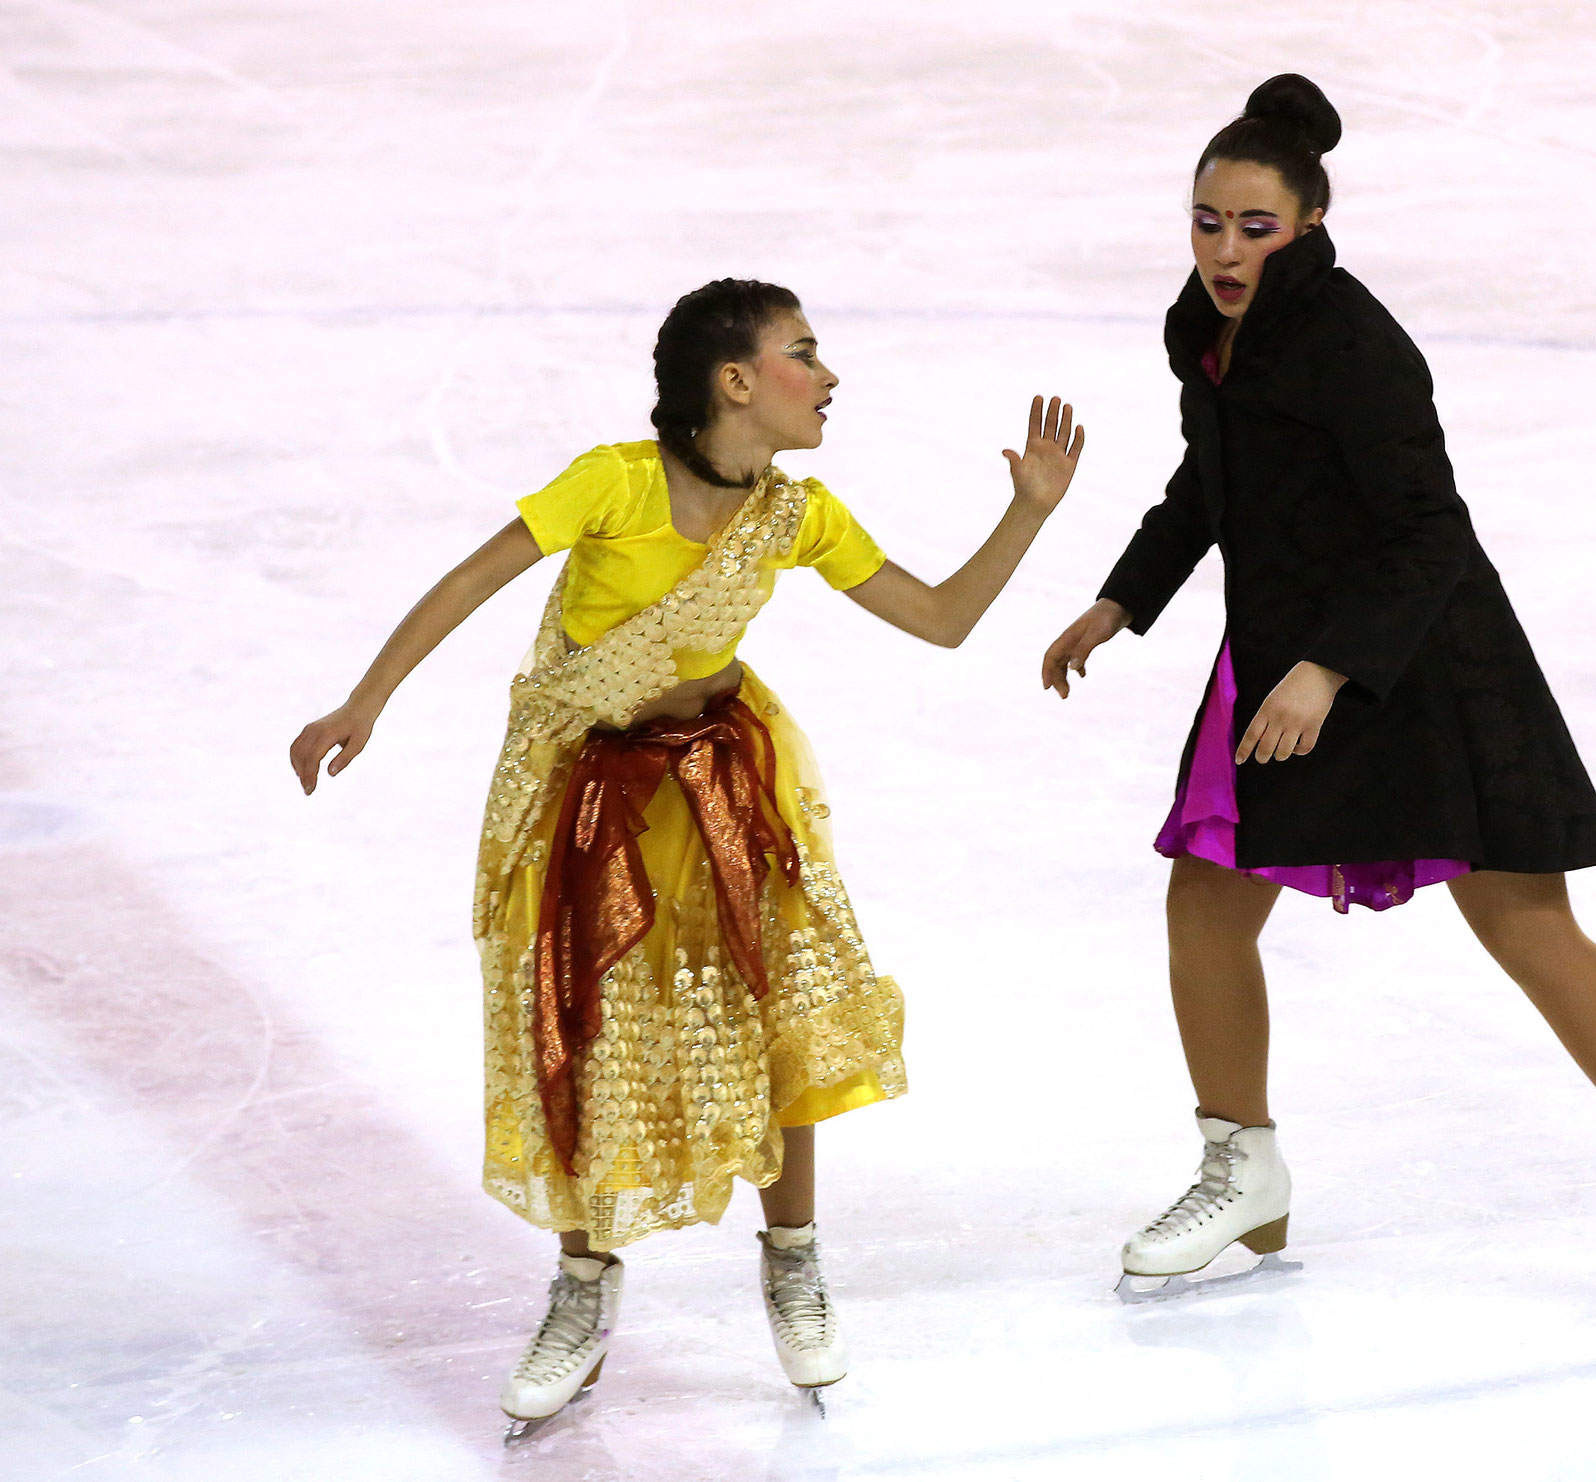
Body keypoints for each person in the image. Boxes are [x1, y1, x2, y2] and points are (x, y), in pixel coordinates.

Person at [1041, 76, 1596, 1327]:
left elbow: (1428, 533)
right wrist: (1122, 601)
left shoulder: (1355, 347)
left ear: (1311, 222)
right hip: (1284, 661)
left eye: (1253, 227)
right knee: (1204, 903)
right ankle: (1241, 1165)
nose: (1223, 249)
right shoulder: (1205, 328)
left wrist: (1331, 669)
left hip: (1418, 662)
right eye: (1206, 221)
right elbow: (1208, 482)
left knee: (1523, 922)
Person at [293, 279, 1084, 1430]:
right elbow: (472, 579)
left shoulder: (793, 513)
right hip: (585, 786)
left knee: (779, 1002)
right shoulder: (612, 483)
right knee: (576, 1015)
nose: (825, 376)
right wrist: (365, 701)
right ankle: (581, 1286)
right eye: (803, 355)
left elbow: (943, 618)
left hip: (719, 774)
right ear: (734, 382)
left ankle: (794, 1261)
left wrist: (1029, 512)